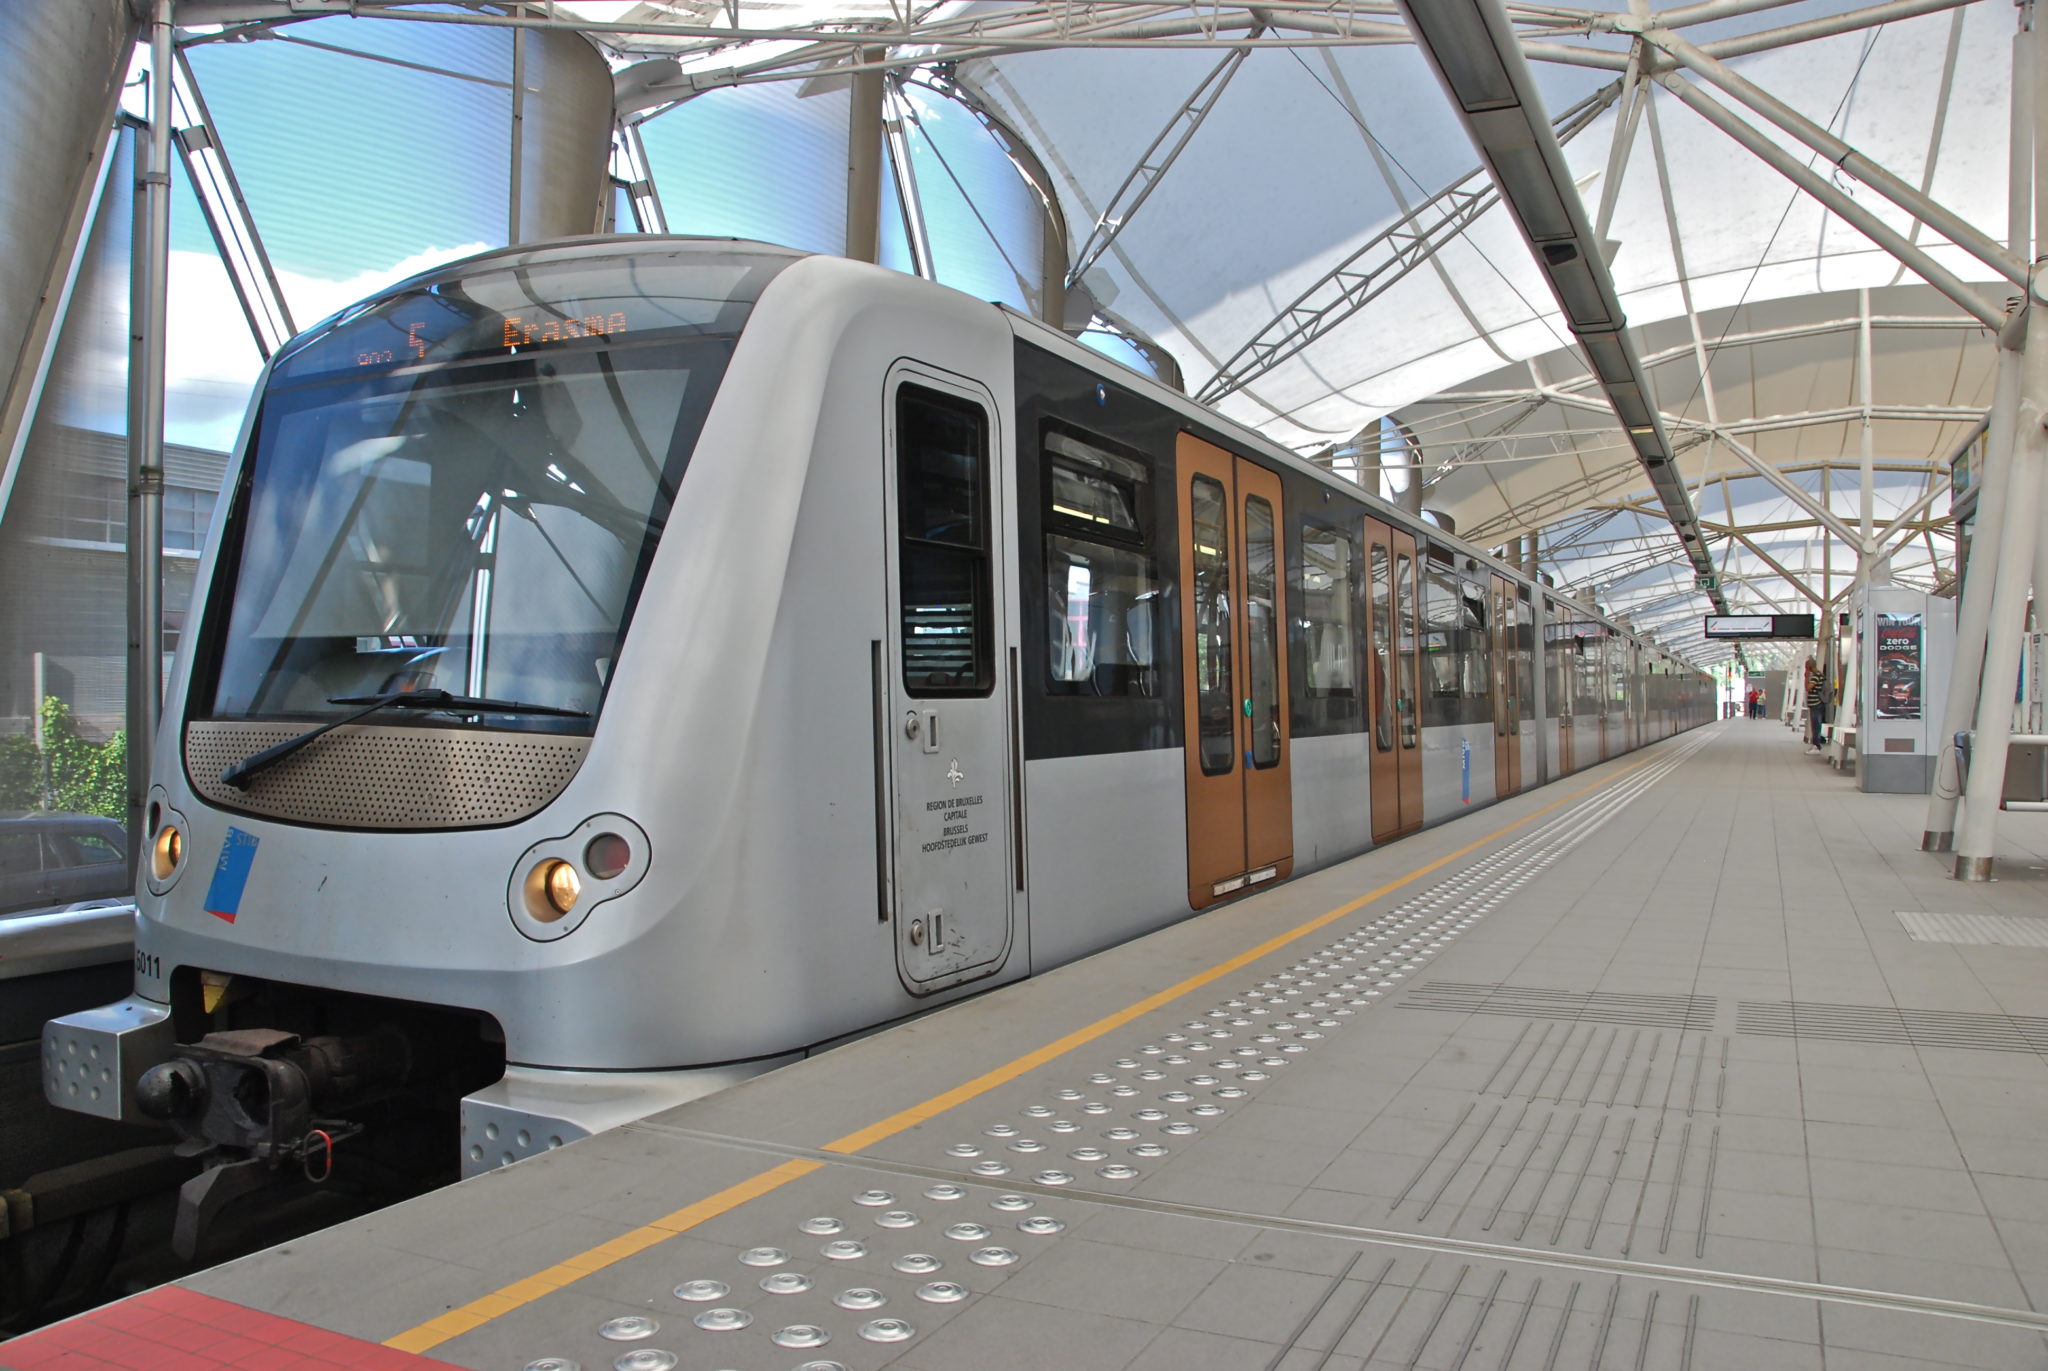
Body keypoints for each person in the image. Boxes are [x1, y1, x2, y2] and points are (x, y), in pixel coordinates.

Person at [1804, 657, 1827, 752]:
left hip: (1816, 703)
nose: (1805, 668)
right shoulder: (1820, 675)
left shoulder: (1815, 676)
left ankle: (1816, 745)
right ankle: (1816, 744)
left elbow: (1808, 688)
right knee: (1816, 724)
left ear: (1809, 666)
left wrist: (1806, 678)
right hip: (1817, 703)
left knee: (1816, 724)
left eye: (1806, 666)